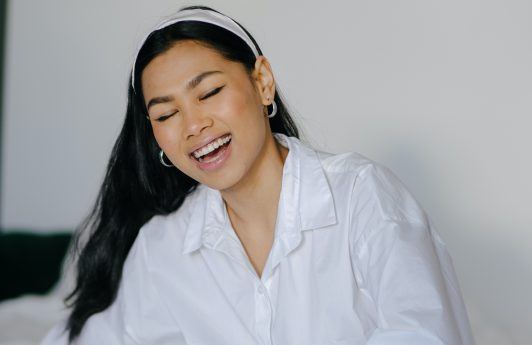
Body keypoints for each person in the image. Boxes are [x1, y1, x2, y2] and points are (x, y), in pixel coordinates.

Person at [40, 5, 475, 345]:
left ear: (262, 81)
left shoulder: (361, 196)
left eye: (209, 92)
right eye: (167, 113)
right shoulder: (163, 247)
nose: (193, 126)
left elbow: (425, 332)